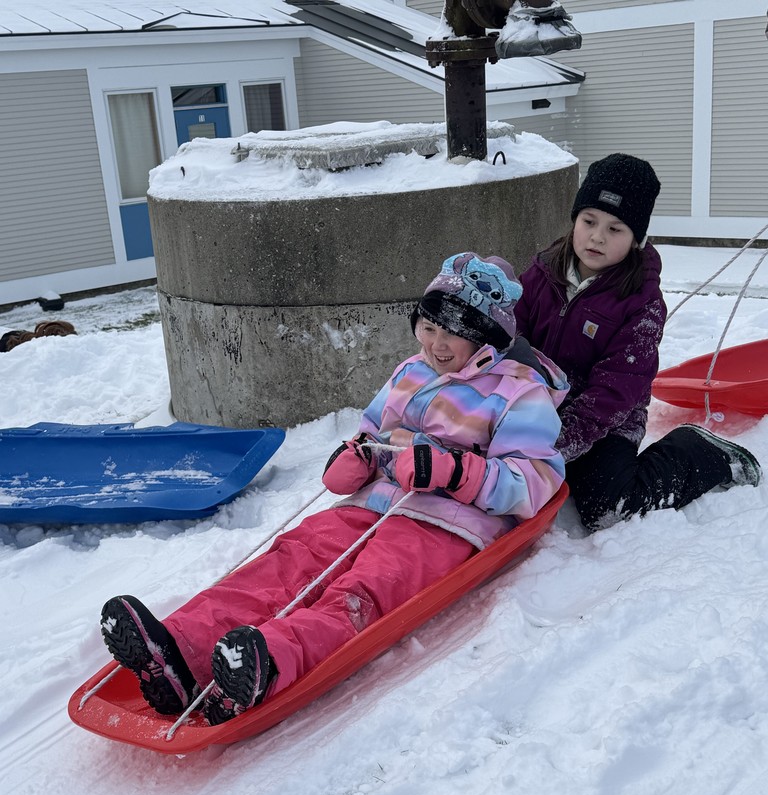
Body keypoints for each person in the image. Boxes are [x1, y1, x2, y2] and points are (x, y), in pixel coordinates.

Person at [99, 252, 569, 725]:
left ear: (486, 338)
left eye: (454, 333)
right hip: (372, 505)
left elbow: (535, 482)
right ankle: (179, 651)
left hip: (443, 526)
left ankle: (268, 662)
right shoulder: (411, 372)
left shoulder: (519, 394)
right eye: (428, 327)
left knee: (360, 592)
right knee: (290, 560)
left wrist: (451, 470)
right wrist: (359, 455)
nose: (437, 345)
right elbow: (372, 430)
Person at [513, 152, 762, 531]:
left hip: (608, 420)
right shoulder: (540, 273)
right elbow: (510, 336)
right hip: (538, 406)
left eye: (615, 229)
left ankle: (697, 452)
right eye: (589, 221)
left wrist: (559, 444)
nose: (597, 236)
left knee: (607, 506)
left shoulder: (642, 303)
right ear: (575, 220)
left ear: (635, 239)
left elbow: (617, 390)